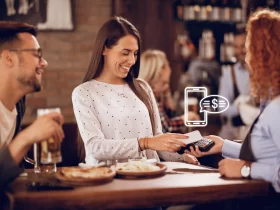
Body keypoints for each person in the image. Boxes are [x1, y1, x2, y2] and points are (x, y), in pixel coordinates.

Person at [72, 17, 200, 166]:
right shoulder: (84, 93)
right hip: (107, 180)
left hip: (148, 176)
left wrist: (183, 158)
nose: (132, 61)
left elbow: (157, 142)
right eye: (125, 53)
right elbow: (95, 147)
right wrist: (145, 142)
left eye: (135, 53)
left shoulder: (143, 87)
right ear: (104, 49)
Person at [186, 9, 280, 194]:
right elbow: (269, 154)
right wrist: (223, 145)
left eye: (248, 49)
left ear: (262, 55)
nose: (245, 56)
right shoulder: (271, 100)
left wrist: (246, 169)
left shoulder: (277, 108)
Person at [0, 21, 64, 188]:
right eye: (37, 54)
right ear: (9, 58)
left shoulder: (17, 102)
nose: (44, 63)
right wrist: (26, 138)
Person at [139, 49, 199, 133]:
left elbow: (171, 117)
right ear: (160, 70)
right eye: (168, 66)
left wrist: (167, 96)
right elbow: (165, 128)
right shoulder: (149, 94)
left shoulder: (156, 91)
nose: (170, 70)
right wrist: (185, 119)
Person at [218, 27, 258, 140]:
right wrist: (241, 109)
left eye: (243, 46)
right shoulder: (229, 73)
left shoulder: (263, 72)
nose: (239, 51)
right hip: (234, 132)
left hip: (258, 131)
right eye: (236, 46)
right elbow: (222, 107)